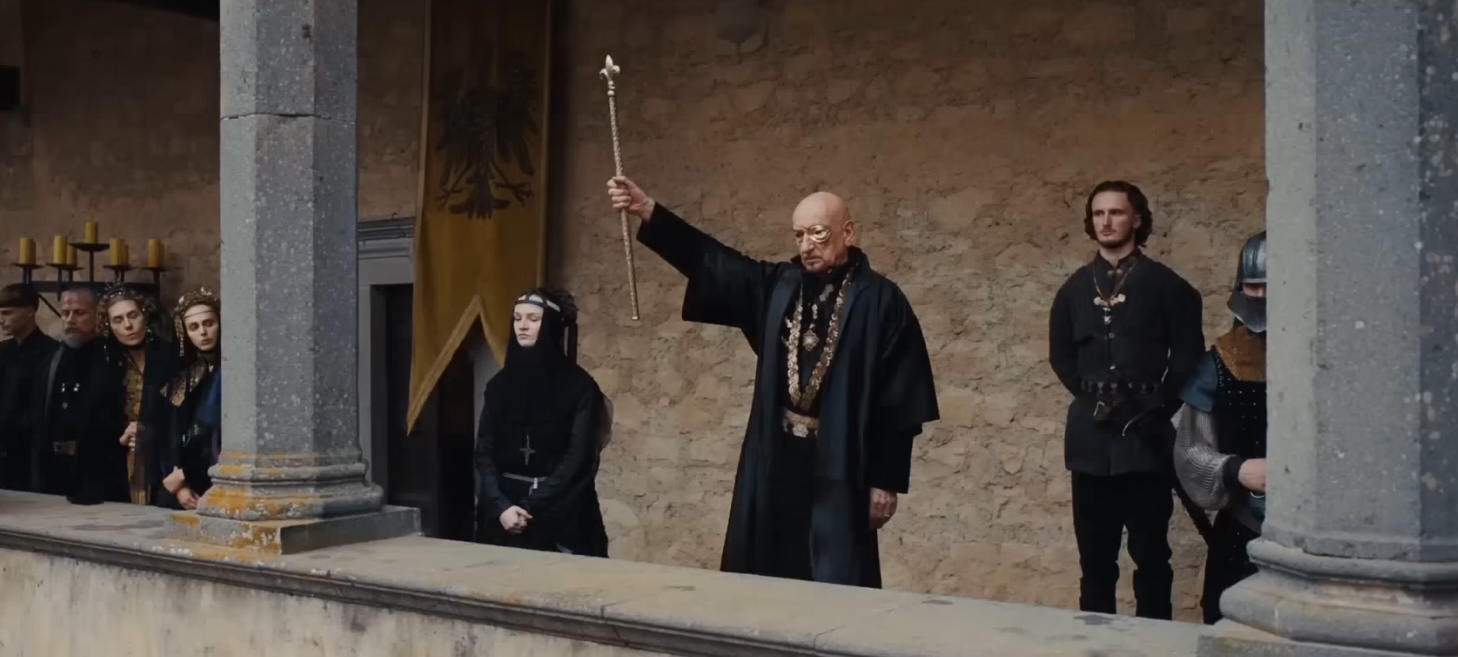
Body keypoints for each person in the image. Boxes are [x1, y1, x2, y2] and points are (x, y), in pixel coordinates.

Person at [607, 176, 940, 588]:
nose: (806, 245)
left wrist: (885, 481)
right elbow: (714, 261)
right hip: (777, 457)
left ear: (848, 233)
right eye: (799, 235)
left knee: (835, 580)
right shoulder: (781, 285)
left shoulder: (882, 301)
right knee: (765, 575)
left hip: (841, 462)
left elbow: (900, 402)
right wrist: (649, 212)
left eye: (818, 233)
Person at [1047, 180, 1205, 619]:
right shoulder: (1073, 290)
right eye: (1099, 213)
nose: (1106, 221)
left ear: (1136, 219)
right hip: (1089, 441)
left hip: (1145, 442)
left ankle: (1154, 642)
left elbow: (1188, 356)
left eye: (1116, 212)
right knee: (1095, 562)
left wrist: (1157, 408)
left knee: (1151, 556)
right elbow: (1062, 358)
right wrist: (1092, 399)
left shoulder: (1168, 287)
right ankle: (1094, 643)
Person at [1174, 231, 1268, 624]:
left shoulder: (1330, 363)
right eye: (1253, 287)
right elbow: (1189, 452)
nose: (1261, 297)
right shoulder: (1219, 364)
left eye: (1272, 287)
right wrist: (1235, 469)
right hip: (1243, 527)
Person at [474, 289, 610, 556]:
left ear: (549, 325)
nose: (522, 326)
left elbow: (578, 458)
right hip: (503, 514)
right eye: (517, 318)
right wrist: (501, 506)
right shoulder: (499, 386)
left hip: (560, 512)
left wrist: (530, 507)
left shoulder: (580, 388)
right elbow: (484, 451)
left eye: (533, 319)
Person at [96, 285, 177, 505]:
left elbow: (179, 406)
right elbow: (97, 417)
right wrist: (120, 435)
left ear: (145, 315)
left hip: (163, 456)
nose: (128, 326)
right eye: (118, 320)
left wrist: (151, 429)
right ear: (109, 326)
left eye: (133, 316)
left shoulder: (170, 355)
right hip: (120, 460)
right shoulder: (105, 362)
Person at [31, 287, 109, 502]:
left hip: (98, 472)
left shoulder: (109, 358)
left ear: (97, 315)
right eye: (65, 313)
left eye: (79, 312)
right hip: (53, 470)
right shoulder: (52, 359)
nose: (70, 319)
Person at [160, 288, 222, 510]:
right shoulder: (183, 377)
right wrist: (179, 486)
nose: (203, 332)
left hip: (218, 476)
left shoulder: (232, 372)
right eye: (194, 327)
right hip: (183, 486)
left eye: (209, 323)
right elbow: (170, 435)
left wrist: (187, 475)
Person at [0, 284, 58, 490]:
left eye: (7, 313)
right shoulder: (3, 351)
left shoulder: (52, 352)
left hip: (33, 452)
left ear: (30, 311)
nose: (1, 319)